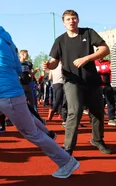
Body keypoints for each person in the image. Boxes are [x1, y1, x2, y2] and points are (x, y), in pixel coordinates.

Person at [0, 6, 79, 183]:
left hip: (8, 96)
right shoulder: (7, 40)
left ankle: (67, 161)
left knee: (31, 133)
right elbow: (18, 68)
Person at [43, 10, 112, 155]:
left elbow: (105, 49)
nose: (71, 21)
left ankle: (98, 140)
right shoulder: (60, 40)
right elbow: (54, 62)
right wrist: (49, 66)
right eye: (68, 19)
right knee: (75, 112)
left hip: (92, 80)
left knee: (98, 112)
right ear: (63, 22)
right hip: (72, 82)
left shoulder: (88, 33)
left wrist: (86, 58)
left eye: (74, 18)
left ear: (78, 20)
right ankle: (68, 148)